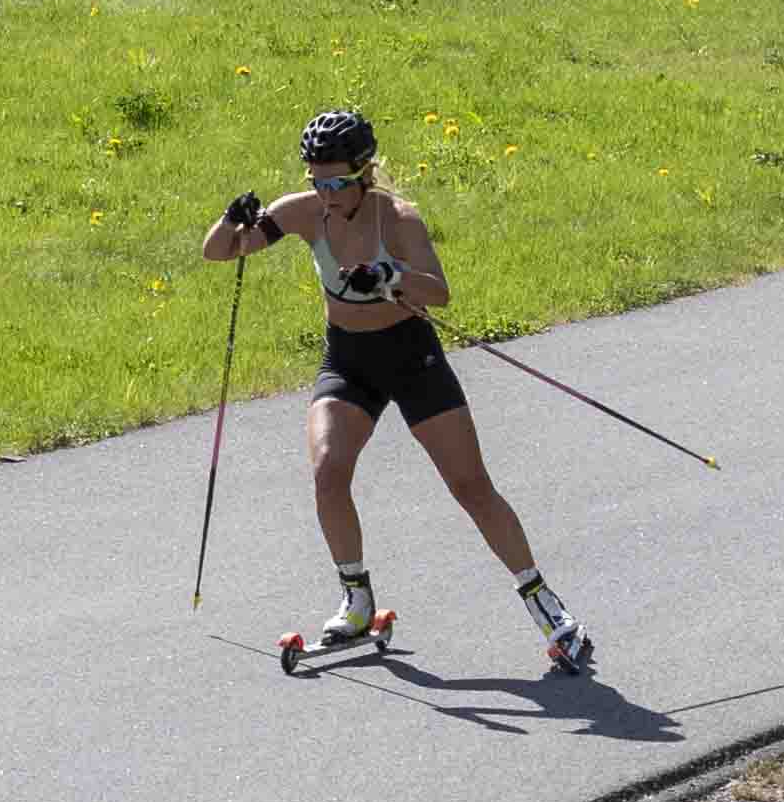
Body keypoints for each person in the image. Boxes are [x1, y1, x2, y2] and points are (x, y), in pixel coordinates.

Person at [197, 107, 593, 676]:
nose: (327, 192)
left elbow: (439, 292)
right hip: (348, 360)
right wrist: (229, 219)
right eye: (318, 180)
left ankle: (548, 607)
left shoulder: (398, 219)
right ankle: (356, 601)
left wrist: (390, 278)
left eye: (337, 181)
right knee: (328, 471)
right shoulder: (303, 212)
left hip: (412, 358)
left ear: (364, 172)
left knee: (470, 486)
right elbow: (220, 251)